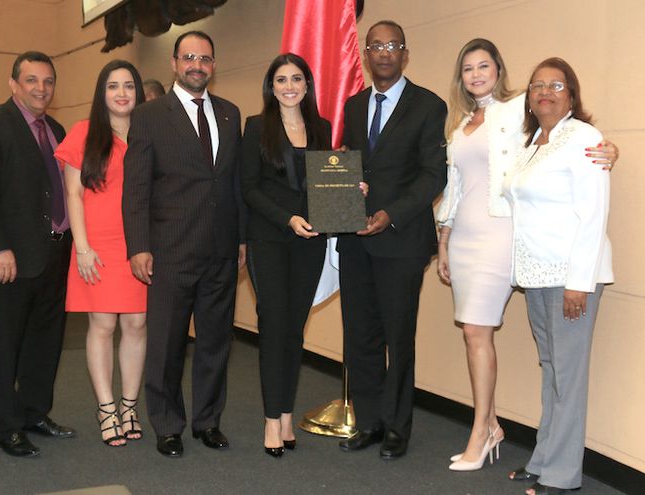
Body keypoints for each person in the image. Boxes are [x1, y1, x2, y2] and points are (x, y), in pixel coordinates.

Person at [433, 39, 619, 471]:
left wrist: (609, 150)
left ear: (499, 70)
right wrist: (443, 237)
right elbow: (456, 187)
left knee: (490, 337)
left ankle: (503, 440)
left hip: (515, 244)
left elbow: (581, 153)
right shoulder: (470, 130)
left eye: (484, 65)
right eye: (468, 68)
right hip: (492, 249)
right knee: (537, 359)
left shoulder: (525, 112)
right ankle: (527, 450)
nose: (476, 75)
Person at [122, 30, 245, 459]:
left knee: (215, 343)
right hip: (170, 249)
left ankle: (208, 421)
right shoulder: (149, 115)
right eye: (189, 57)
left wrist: (241, 238)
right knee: (167, 344)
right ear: (174, 63)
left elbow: (234, 183)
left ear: (214, 65)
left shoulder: (230, 113)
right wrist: (138, 245)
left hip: (221, 250)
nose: (197, 65)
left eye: (205, 58)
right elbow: (136, 187)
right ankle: (168, 425)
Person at [336, 20, 447, 460]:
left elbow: (433, 175)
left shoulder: (429, 105)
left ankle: (398, 426)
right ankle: (369, 421)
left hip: (401, 239)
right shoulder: (353, 106)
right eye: (376, 46)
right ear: (365, 54)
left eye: (393, 45)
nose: (384, 52)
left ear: (405, 54)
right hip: (355, 239)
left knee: (398, 337)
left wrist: (390, 214)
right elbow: (349, 165)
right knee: (360, 335)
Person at [502, 57, 613, 495]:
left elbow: (594, 212)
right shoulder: (532, 144)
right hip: (535, 273)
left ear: (571, 95)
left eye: (556, 85)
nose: (545, 92)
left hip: (570, 277)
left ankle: (563, 475)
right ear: (528, 97)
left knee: (568, 375)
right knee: (551, 370)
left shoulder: (584, 138)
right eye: (537, 85)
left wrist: (579, 283)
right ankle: (543, 459)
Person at [0, 51, 75, 458]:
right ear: (13, 84)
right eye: (31, 80)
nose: (41, 89)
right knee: (7, 345)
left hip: (56, 253)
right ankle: (7, 427)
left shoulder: (57, 130)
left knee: (46, 341)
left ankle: (34, 413)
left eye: (48, 81)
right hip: (10, 258)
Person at [241, 53, 333, 457]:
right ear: (271, 87)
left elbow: (325, 184)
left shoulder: (321, 128)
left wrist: (350, 191)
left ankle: (286, 414)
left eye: (297, 79)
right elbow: (249, 188)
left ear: (307, 85)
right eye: (281, 80)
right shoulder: (256, 127)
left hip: (310, 242)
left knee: (295, 329)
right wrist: (288, 218)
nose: (289, 86)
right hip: (270, 240)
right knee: (274, 326)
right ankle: (270, 419)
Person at [53, 60, 148, 448]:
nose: (121, 93)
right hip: (98, 246)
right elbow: (73, 194)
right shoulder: (84, 132)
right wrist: (82, 248)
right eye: (113, 86)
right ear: (101, 93)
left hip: (139, 244)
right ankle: (107, 408)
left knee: (137, 325)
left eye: (128, 85)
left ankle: (130, 406)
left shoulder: (149, 132)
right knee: (103, 326)